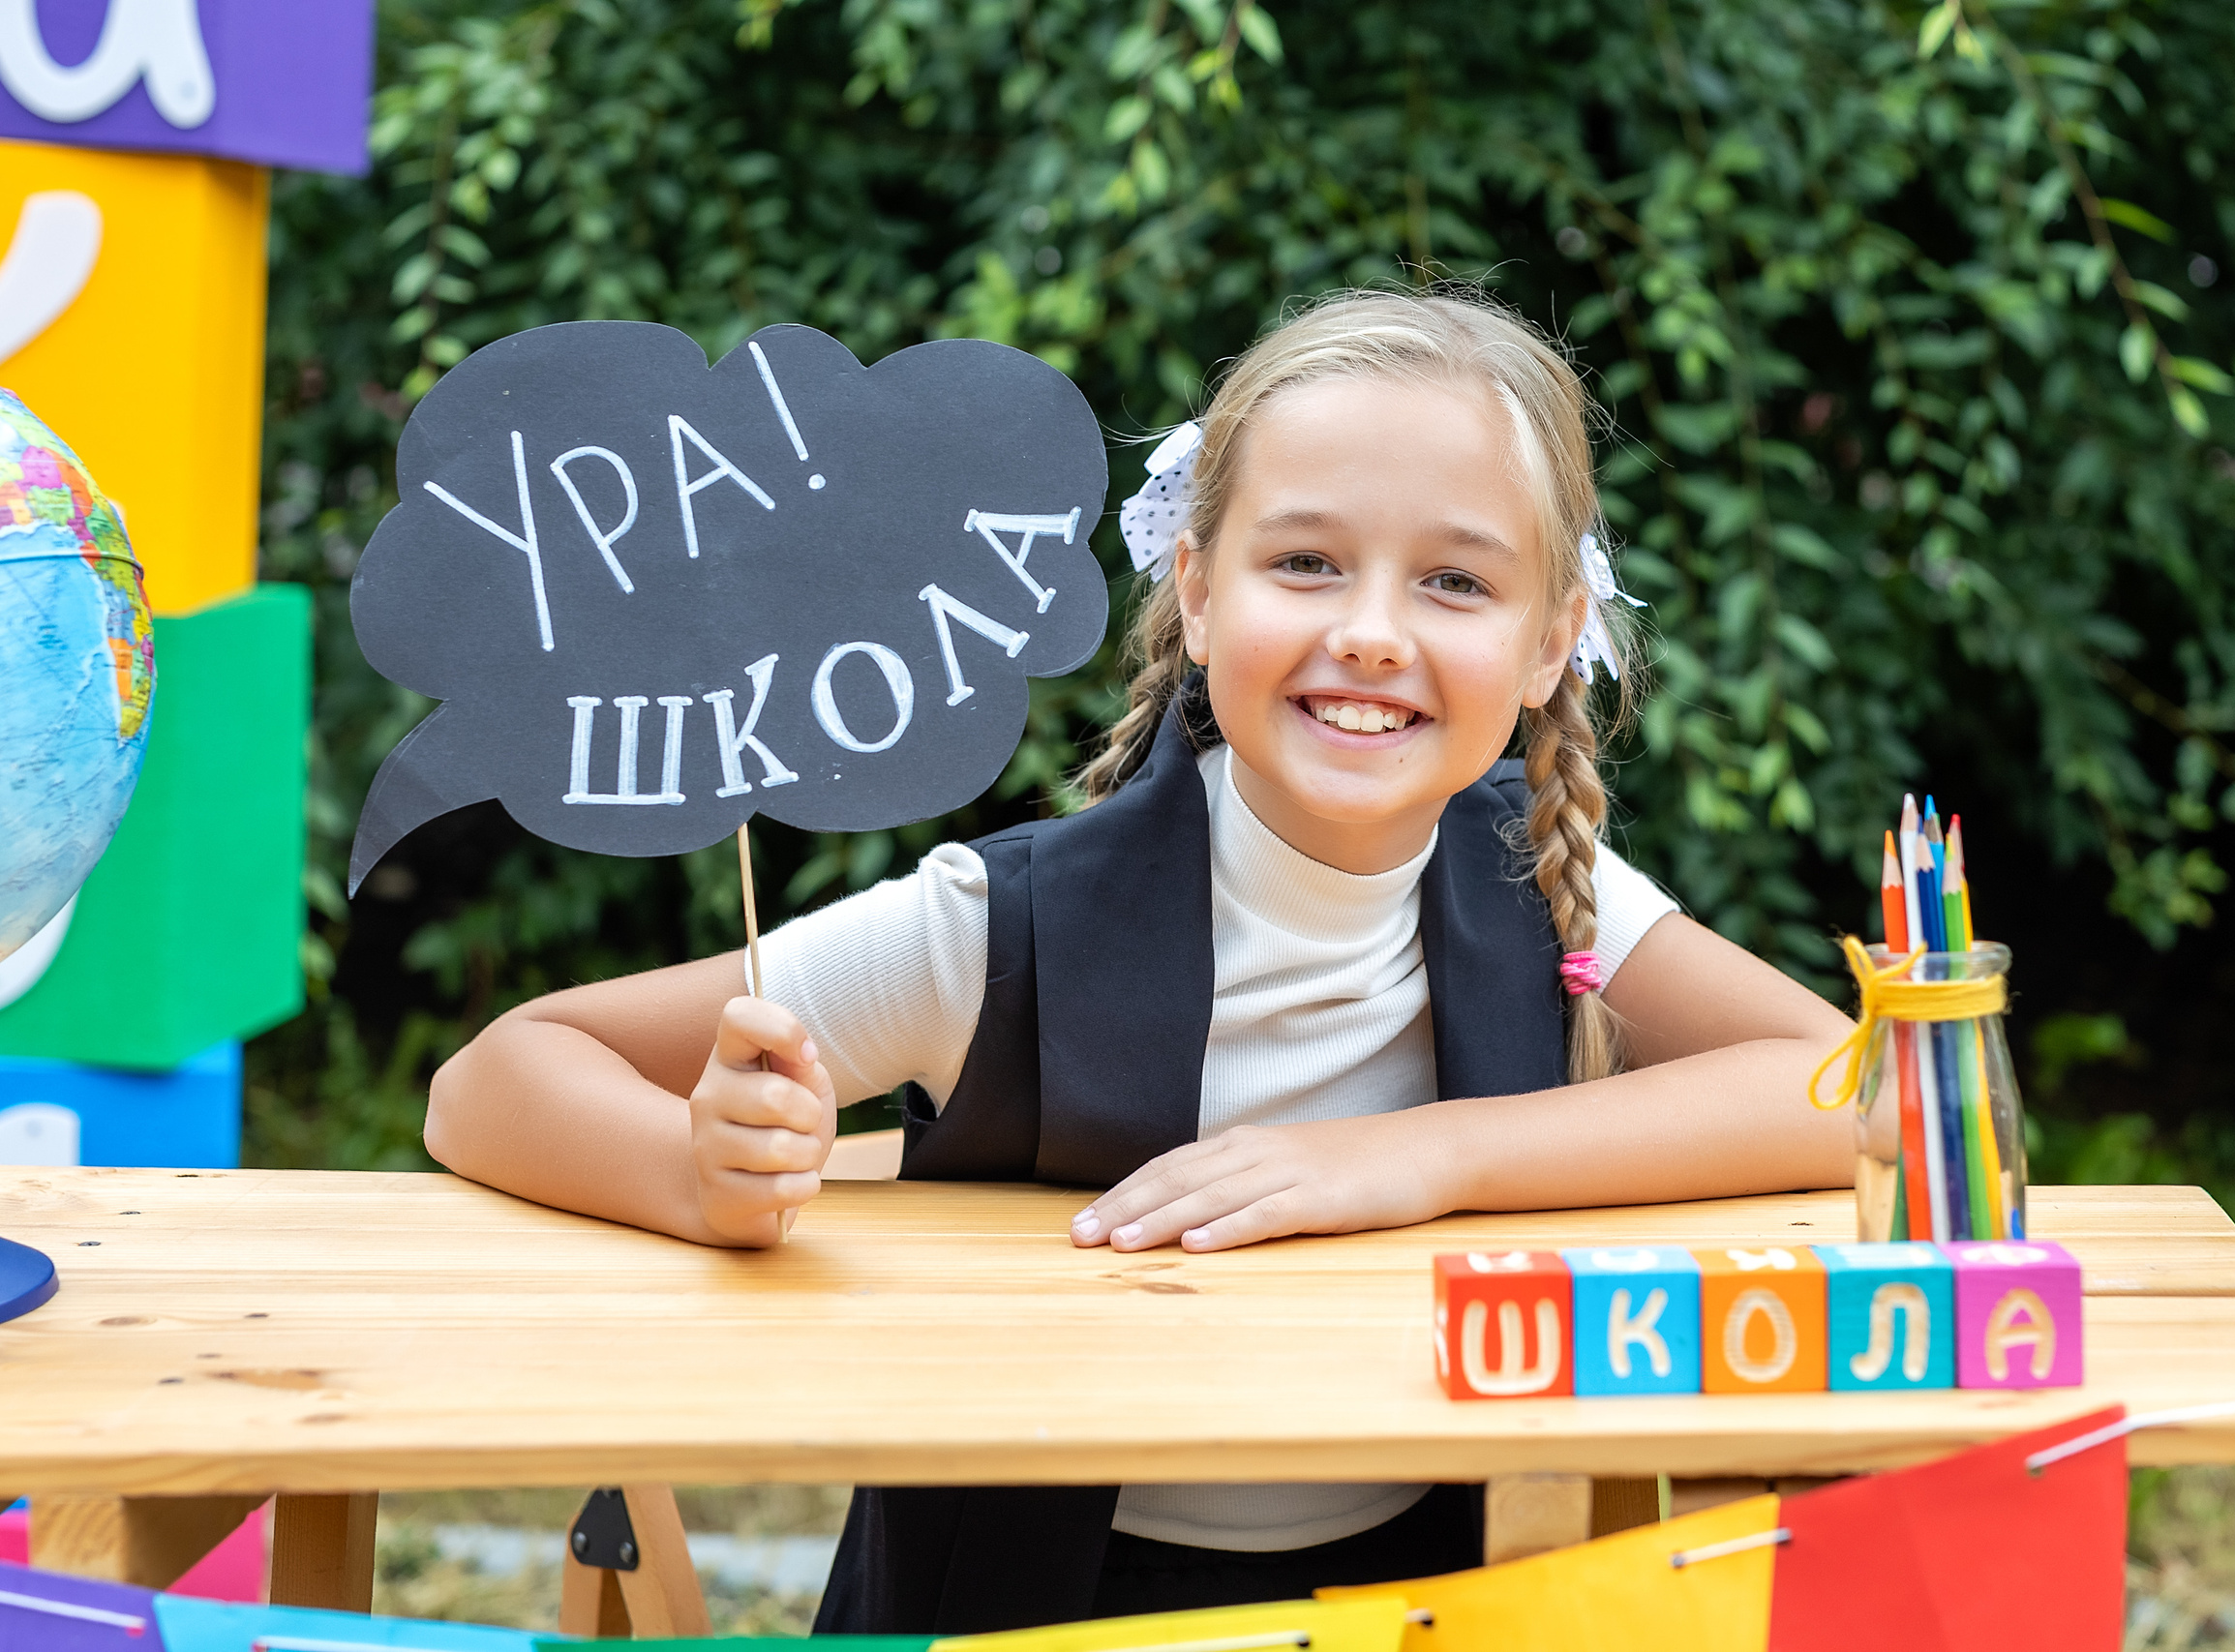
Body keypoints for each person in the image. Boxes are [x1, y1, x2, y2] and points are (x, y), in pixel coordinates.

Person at [424, 286, 1854, 1634]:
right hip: (1009, 1621)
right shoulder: (995, 932)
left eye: (1453, 582)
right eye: (1306, 563)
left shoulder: (1550, 884)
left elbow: (1857, 1087)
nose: (1370, 634)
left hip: (1402, 1606)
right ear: (1198, 589)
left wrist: (1422, 1157)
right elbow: (495, 1077)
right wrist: (696, 1173)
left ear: (1552, 644)